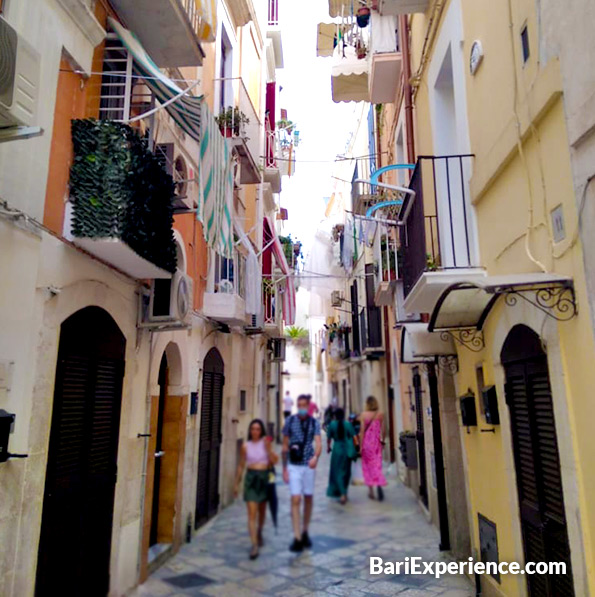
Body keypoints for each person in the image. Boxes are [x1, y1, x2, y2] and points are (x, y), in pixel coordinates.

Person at [282, 394, 322, 552]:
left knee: (308, 498)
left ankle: (305, 531)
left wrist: (315, 457)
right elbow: (285, 446)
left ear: (308, 406)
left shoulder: (314, 423)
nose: (301, 408)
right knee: (295, 499)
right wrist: (284, 468)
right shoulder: (290, 422)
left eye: (304, 405)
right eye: (299, 405)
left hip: (308, 466)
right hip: (294, 466)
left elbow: (318, 442)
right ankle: (297, 537)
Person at [235, 419, 277, 560]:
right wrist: (237, 483)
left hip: (264, 478)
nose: (255, 431)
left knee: (262, 511)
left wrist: (269, 449)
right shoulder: (245, 446)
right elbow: (241, 464)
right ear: (250, 431)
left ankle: (259, 531)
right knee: (251, 514)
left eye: (258, 429)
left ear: (261, 431)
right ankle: (254, 545)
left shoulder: (266, 444)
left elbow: (275, 461)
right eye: (253, 429)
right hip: (251, 479)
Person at [359, 396, 387, 501]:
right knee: (377, 465)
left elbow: (362, 431)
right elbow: (383, 430)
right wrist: (383, 441)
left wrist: (361, 446)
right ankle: (379, 483)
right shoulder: (380, 415)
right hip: (376, 444)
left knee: (367, 467)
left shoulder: (363, 415)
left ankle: (371, 491)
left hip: (366, 445)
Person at [326, 408, 356, 504]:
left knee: (337, 472)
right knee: (346, 472)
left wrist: (328, 447)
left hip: (337, 450)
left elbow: (329, 439)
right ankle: (344, 492)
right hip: (347, 450)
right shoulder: (348, 424)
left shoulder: (332, 425)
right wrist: (356, 448)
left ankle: (342, 494)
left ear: (334, 415)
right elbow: (354, 437)